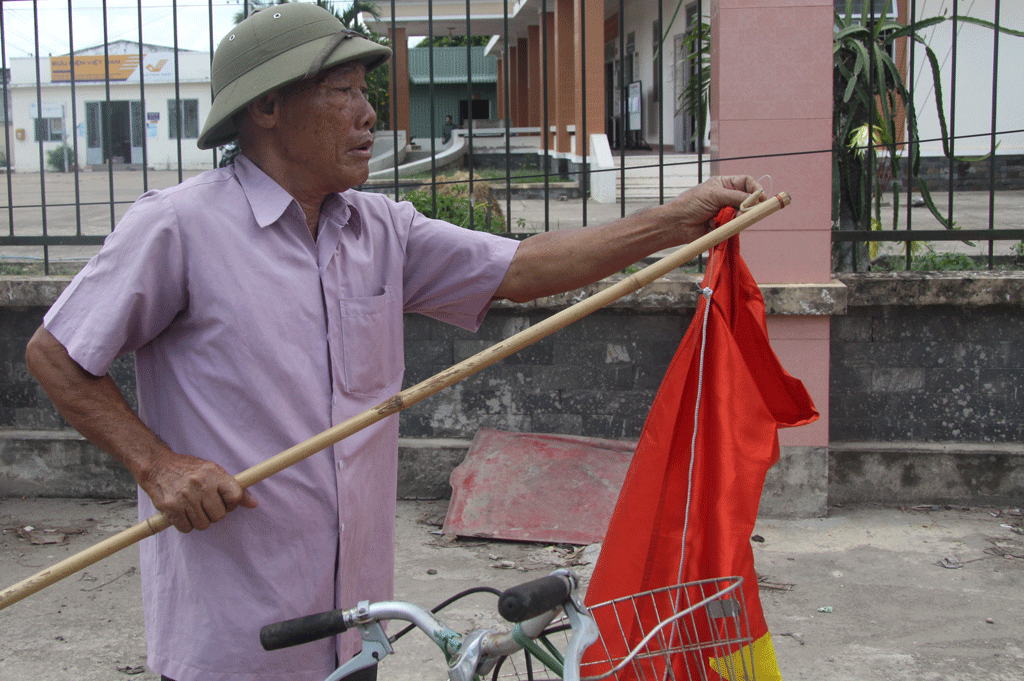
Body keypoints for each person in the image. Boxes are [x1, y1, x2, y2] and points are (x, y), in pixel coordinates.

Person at [24, 4, 762, 681]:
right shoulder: (178, 227)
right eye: (343, 91)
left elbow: (525, 266)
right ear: (269, 106)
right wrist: (159, 466)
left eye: (363, 93)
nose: (369, 113)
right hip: (235, 638)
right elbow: (55, 353)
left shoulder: (380, 229)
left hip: (359, 631)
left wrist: (675, 221)